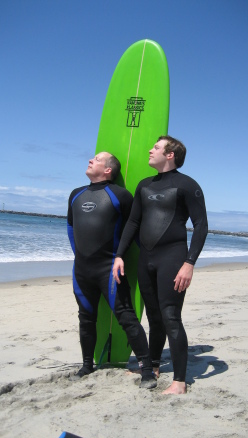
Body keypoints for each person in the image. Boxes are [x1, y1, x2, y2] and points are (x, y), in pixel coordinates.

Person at [112, 136, 208, 394]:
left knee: (170, 317)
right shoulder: (144, 185)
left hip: (173, 258)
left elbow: (201, 226)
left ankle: (179, 381)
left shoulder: (188, 185)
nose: (150, 150)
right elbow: (133, 223)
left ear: (170, 154)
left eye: (156, 147)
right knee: (154, 317)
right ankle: (153, 366)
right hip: (146, 259)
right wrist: (120, 255)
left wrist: (189, 263)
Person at [67, 151, 156, 389]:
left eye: (96, 159)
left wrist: (144, 259)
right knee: (86, 318)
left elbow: (133, 230)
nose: (90, 160)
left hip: (110, 269)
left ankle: (146, 369)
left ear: (108, 170)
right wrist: (79, 257)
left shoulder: (120, 196)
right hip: (82, 269)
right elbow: (70, 227)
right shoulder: (76, 195)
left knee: (126, 317)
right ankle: (87, 365)